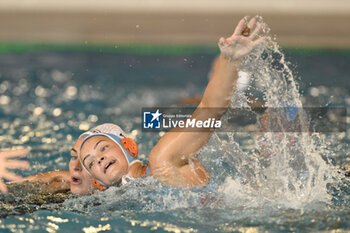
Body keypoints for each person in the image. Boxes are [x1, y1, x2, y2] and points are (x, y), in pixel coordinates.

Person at [79, 17, 265, 190]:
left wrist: (230, 60)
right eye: (91, 163)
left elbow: (209, 111)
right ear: (98, 183)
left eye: (103, 148)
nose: (100, 158)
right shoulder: (114, 200)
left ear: (129, 146)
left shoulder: (163, 159)